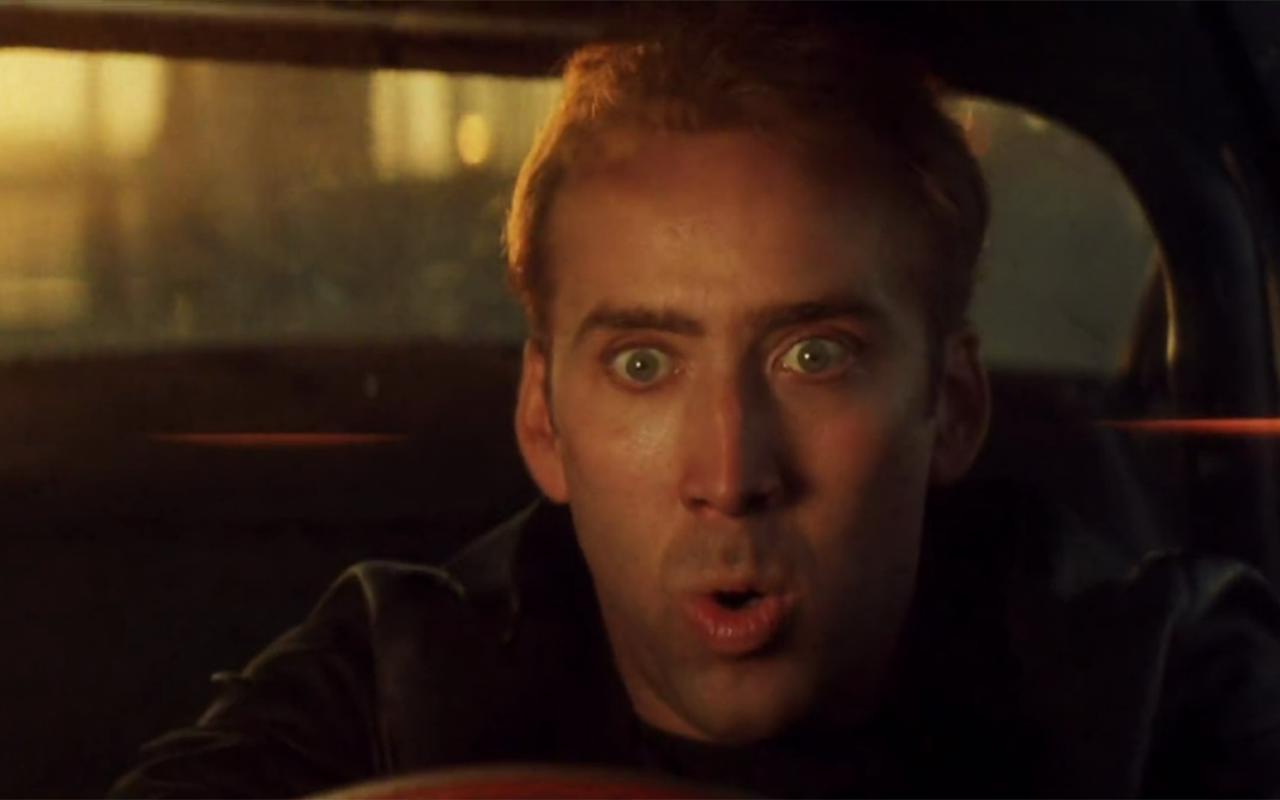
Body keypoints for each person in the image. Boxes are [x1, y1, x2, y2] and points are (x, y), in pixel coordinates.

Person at [108, 11, 1280, 800]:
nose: (728, 473)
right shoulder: (395, 681)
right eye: (641, 364)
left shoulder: (1153, 679)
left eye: (813, 354)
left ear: (951, 404)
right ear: (541, 421)